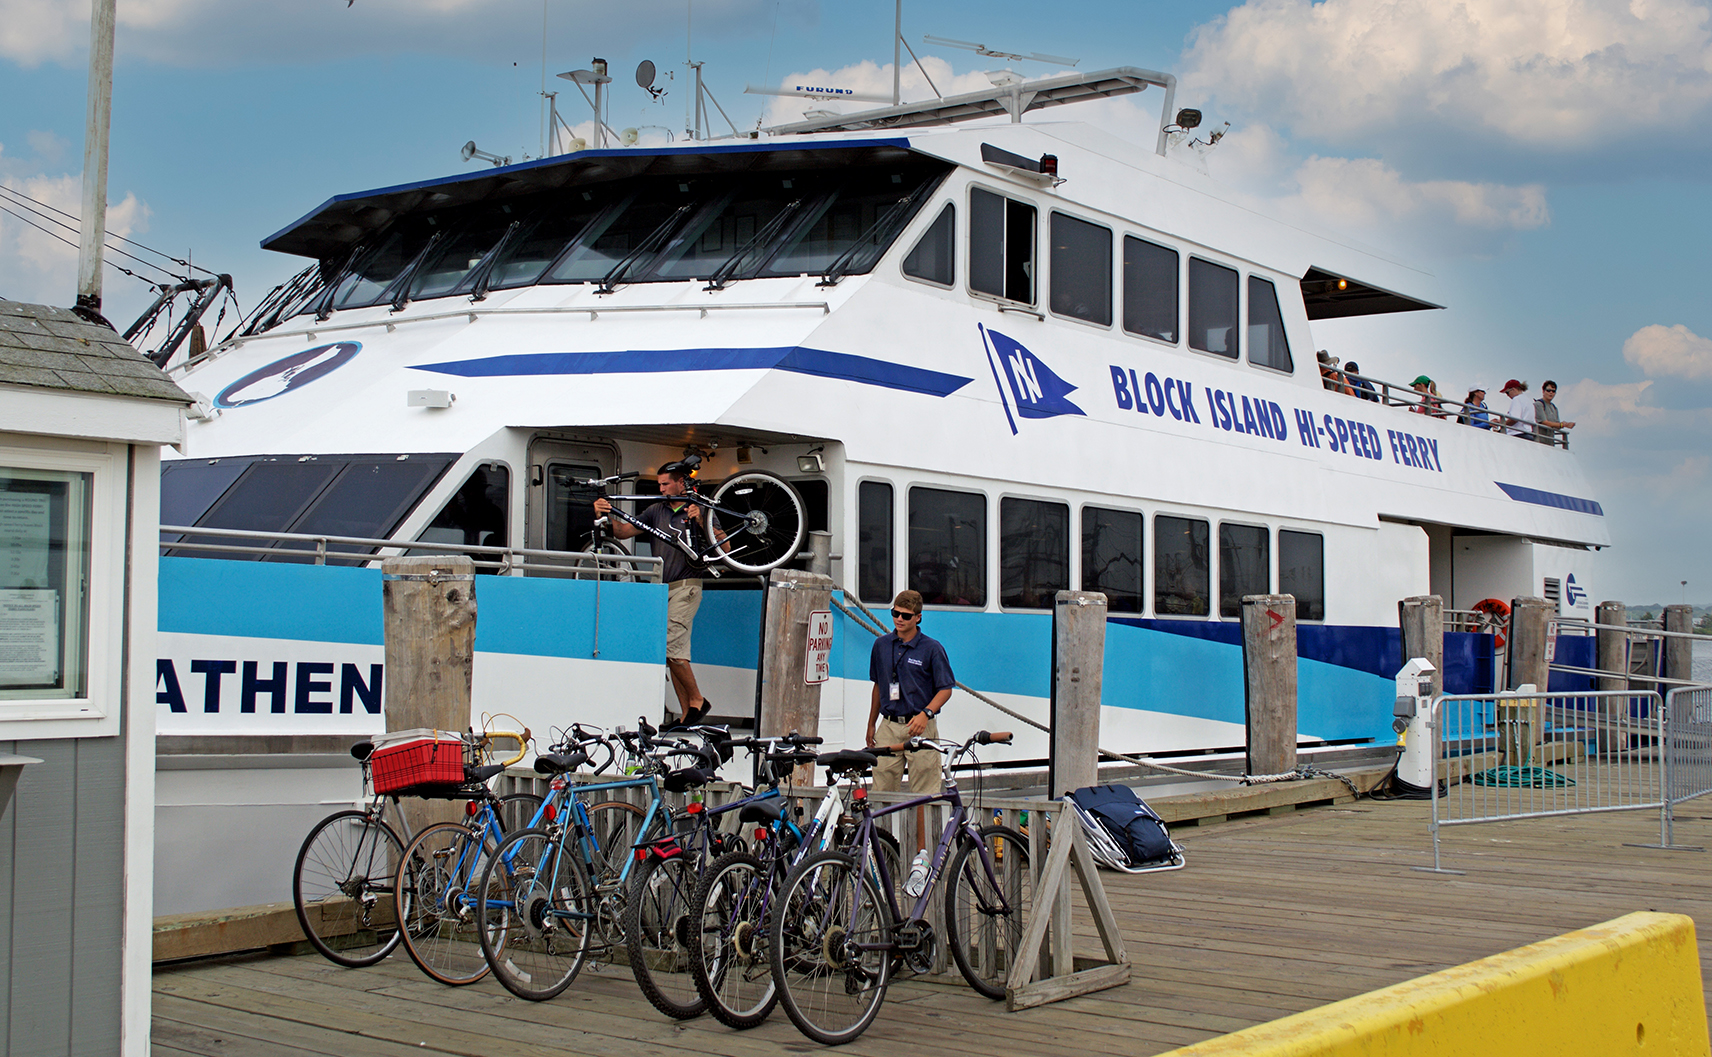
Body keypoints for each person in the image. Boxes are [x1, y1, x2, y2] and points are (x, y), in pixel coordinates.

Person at [592, 461, 723, 726]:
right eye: (659, 485)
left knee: (671, 647)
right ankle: (687, 715)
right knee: (671, 653)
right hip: (662, 588)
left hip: (687, 585)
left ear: (679, 483)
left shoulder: (699, 507)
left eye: (666, 484)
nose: (662, 489)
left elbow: (725, 544)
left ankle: (698, 700)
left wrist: (699, 519)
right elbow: (623, 531)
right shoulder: (656, 510)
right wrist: (601, 515)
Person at [866, 590, 955, 796]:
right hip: (888, 725)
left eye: (906, 616)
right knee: (881, 791)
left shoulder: (932, 648)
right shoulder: (881, 645)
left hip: (920, 725)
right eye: (895, 613)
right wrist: (871, 724)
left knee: (924, 795)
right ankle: (882, 829)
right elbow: (878, 686)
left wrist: (926, 714)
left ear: (918, 617)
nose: (899, 619)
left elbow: (946, 689)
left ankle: (923, 829)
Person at [1533, 380, 1576, 446]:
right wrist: (1562, 425)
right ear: (1543, 391)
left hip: (1550, 443)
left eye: (1553, 391)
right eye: (1548, 390)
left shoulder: (1554, 407)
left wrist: (1565, 424)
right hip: (1539, 441)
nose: (1551, 393)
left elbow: (1557, 425)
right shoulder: (1538, 404)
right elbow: (1544, 422)